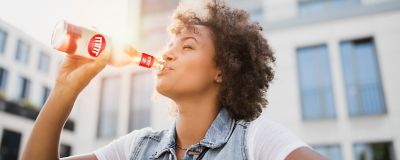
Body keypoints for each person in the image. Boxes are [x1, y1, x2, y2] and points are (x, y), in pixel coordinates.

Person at [22, 1, 327, 160]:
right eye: (169, 45)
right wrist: (67, 87)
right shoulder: (137, 148)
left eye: (187, 46)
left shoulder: (256, 140)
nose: (167, 55)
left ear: (222, 70)